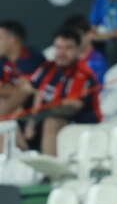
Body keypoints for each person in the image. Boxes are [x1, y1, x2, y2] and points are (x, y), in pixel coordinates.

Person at [16, 27, 102, 157]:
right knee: (6, 125)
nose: (62, 53)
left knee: (52, 121)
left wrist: (36, 118)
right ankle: (27, 163)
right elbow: (35, 91)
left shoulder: (83, 73)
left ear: (78, 50)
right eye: (58, 48)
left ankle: (49, 172)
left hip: (79, 125)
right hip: (42, 120)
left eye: (68, 48)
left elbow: (72, 106)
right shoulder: (48, 67)